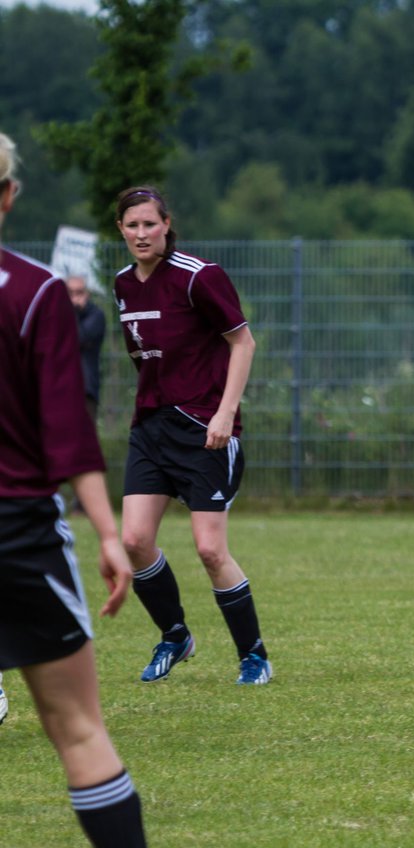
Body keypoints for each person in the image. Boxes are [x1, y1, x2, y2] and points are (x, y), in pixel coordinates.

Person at [1, 131, 148, 848]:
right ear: (8, 196)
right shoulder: (34, 293)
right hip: (19, 533)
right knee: (80, 730)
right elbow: (68, 434)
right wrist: (109, 534)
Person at [112, 186, 272, 686]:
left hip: (204, 429)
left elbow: (242, 343)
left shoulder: (198, 277)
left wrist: (225, 413)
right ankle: (175, 634)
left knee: (209, 550)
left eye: (149, 224)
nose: (141, 233)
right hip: (150, 428)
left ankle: (254, 655)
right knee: (135, 540)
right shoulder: (122, 284)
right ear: (121, 229)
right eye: (132, 225)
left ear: (166, 225)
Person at [68, 274, 106, 425]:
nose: (74, 298)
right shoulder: (58, 314)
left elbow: (78, 339)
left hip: (85, 389)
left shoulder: (96, 315)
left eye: (79, 292)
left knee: (84, 441)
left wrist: (73, 311)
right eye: (70, 293)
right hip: (62, 388)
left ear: (87, 294)